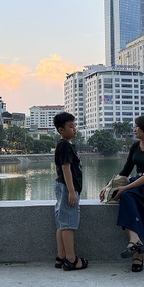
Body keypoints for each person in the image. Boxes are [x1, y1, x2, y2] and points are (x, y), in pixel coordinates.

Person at [100, 115, 144, 273]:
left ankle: (135, 248)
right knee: (127, 199)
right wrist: (108, 186)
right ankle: (135, 243)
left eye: (137, 126)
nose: (134, 129)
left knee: (127, 196)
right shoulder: (135, 147)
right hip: (137, 183)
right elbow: (125, 171)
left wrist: (125, 188)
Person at [53, 112, 88, 271]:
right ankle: (71, 259)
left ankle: (60, 257)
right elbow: (66, 168)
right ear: (61, 130)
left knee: (62, 223)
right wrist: (72, 191)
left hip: (63, 186)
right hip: (67, 187)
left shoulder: (66, 144)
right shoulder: (65, 145)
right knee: (68, 224)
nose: (75, 129)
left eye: (75, 125)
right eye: (71, 126)